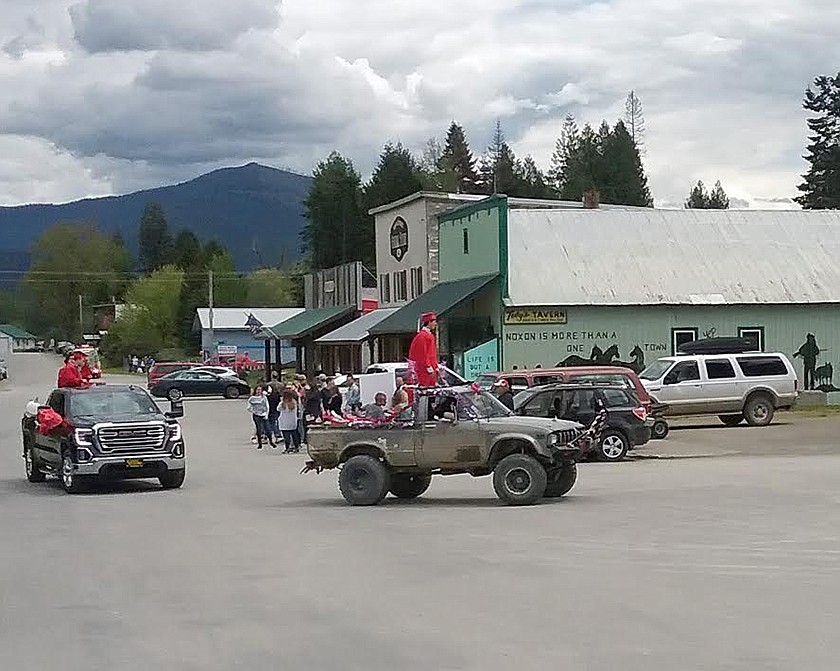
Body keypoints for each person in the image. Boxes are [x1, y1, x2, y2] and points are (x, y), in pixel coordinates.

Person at [408, 312, 439, 387]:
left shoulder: (427, 335)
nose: (435, 324)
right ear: (429, 322)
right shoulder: (422, 336)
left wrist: (435, 366)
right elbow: (422, 354)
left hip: (430, 369)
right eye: (434, 322)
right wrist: (428, 367)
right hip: (425, 370)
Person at [247, 384, 274, 449]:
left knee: (268, 429)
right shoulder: (252, 398)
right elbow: (249, 406)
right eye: (257, 390)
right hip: (256, 415)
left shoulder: (264, 397)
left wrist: (266, 414)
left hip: (264, 414)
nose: (258, 391)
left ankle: (271, 441)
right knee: (259, 429)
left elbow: (267, 406)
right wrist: (252, 410)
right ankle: (260, 444)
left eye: (260, 390)